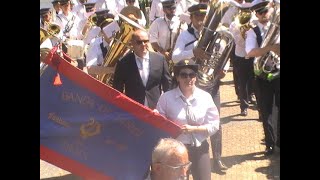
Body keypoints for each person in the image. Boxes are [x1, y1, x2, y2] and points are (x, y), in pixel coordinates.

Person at [171, 3, 229, 172]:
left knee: (215, 120)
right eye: (197, 17)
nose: (201, 20)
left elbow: (223, 52)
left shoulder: (217, 34)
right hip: (190, 86)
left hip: (211, 83)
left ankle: (217, 159)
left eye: (203, 17)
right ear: (191, 18)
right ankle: (189, 158)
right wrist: (193, 53)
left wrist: (223, 69)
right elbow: (175, 57)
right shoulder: (184, 36)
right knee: (189, 119)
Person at [156, 59, 220, 180]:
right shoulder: (166, 98)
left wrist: (194, 129)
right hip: (175, 152)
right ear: (177, 78)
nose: (188, 78)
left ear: (196, 77)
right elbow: (160, 123)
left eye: (192, 75)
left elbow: (215, 124)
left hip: (200, 149)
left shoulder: (205, 97)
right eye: (184, 75)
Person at [245, 0, 280, 155]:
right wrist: (269, 48)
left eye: (265, 11)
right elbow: (250, 52)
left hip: (278, 72)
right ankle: (270, 143)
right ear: (256, 14)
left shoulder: (278, 28)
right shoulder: (252, 32)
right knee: (266, 111)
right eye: (260, 13)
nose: (264, 15)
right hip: (262, 75)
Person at [112, 29, 172, 110]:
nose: (143, 44)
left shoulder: (160, 59)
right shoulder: (123, 63)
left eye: (146, 41)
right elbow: (117, 89)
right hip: (133, 110)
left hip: (156, 109)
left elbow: (167, 85)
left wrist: (168, 106)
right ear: (132, 43)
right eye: (139, 42)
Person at [229, 3, 255, 116]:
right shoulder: (234, 24)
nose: (246, 13)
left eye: (248, 11)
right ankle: (244, 106)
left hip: (254, 55)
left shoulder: (254, 22)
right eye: (244, 11)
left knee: (255, 81)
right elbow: (237, 42)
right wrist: (243, 34)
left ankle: (258, 106)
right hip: (241, 55)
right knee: (242, 82)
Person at [149, 0, 187, 72]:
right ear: (163, 10)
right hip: (160, 57)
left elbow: (185, 40)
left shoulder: (181, 22)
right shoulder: (157, 22)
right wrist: (163, 52)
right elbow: (152, 40)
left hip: (177, 57)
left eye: (173, 8)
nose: (172, 10)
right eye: (169, 8)